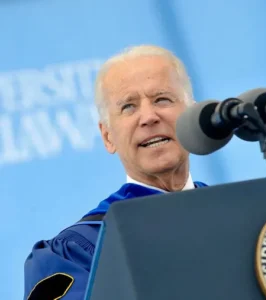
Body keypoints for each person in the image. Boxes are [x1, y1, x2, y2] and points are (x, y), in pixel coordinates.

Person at [23, 45, 207, 300]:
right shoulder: (78, 252)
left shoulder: (237, 217)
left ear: (192, 116)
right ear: (108, 136)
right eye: (128, 107)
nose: (148, 117)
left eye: (162, 99)